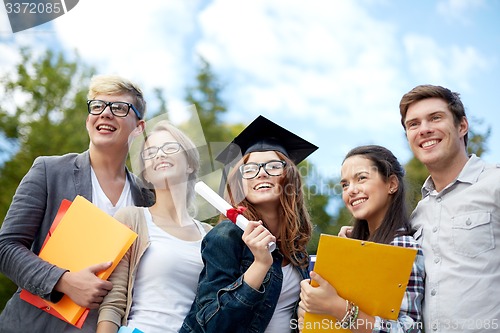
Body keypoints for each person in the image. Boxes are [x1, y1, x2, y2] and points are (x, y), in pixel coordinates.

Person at [0, 74, 154, 333]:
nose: (105, 113)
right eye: (97, 106)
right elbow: (5, 248)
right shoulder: (49, 170)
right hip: (37, 326)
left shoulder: (148, 196)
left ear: (139, 127)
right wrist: (64, 281)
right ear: (88, 120)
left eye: (118, 107)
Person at [180, 115, 318, 333]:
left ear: (289, 177)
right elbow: (213, 327)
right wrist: (260, 264)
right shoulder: (226, 236)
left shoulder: (297, 252)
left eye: (273, 166)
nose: (261, 172)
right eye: (250, 168)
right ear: (240, 183)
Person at [399, 84, 500, 332]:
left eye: (435, 118)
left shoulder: (495, 184)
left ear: (462, 126)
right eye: (413, 124)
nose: (424, 129)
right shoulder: (418, 215)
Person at [96, 120, 212, 333]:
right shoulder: (131, 218)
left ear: (190, 164)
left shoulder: (212, 236)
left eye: (169, 147)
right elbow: (113, 301)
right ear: (147, 174)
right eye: (150, 153)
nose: (159, 155)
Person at [299, 145, 425, 332]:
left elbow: (409, 329)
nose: (351, 190)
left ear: (391, 184)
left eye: (361, 178)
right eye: (345, 185)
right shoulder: (350, 246)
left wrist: (337, 307)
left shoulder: (402, 247)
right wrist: (309, 316)